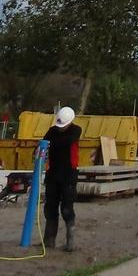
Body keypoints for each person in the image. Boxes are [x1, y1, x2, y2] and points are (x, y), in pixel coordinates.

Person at [42, 106, 83, 252]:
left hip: (68, 175)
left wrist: (50, 143)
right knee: (50, 208)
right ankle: (49, 241)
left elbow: (66, 142)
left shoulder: (76, 131)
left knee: (67, 208)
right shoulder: (52, 131)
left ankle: (70, 242)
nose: (60, 129)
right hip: (52, 175)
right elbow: (43, 145)